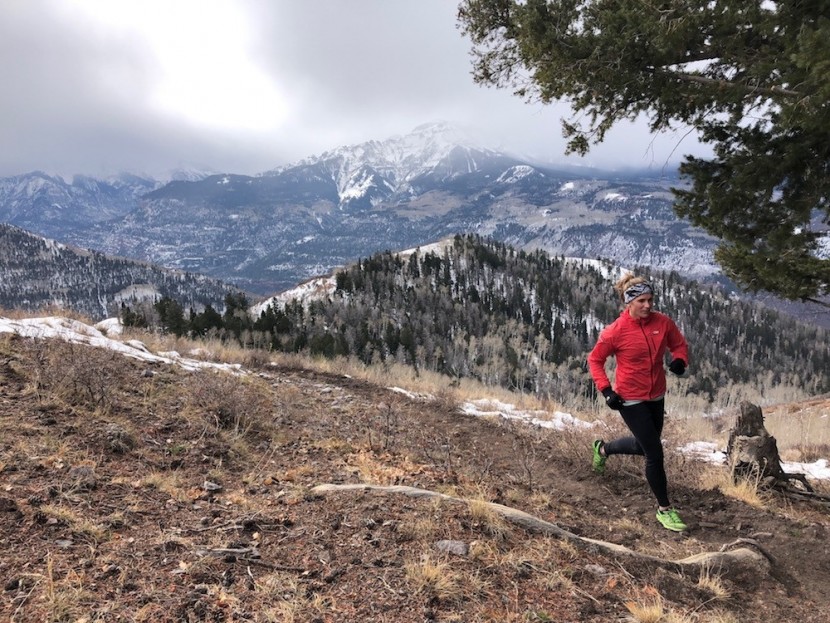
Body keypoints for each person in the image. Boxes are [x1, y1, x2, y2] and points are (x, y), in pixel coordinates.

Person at [587, 274, 690, 532]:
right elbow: (594, 360)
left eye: (650, 299)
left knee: (646, 447)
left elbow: (679, 345)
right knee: (654, 453)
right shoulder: (615, 332)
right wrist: (607, 390)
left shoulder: (663, 323)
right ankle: (664, 509)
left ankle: (603, 449)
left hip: (656, 395)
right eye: (642, 300)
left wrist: (679, 361)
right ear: (628, 302)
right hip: (629, 398)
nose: (648, 305)